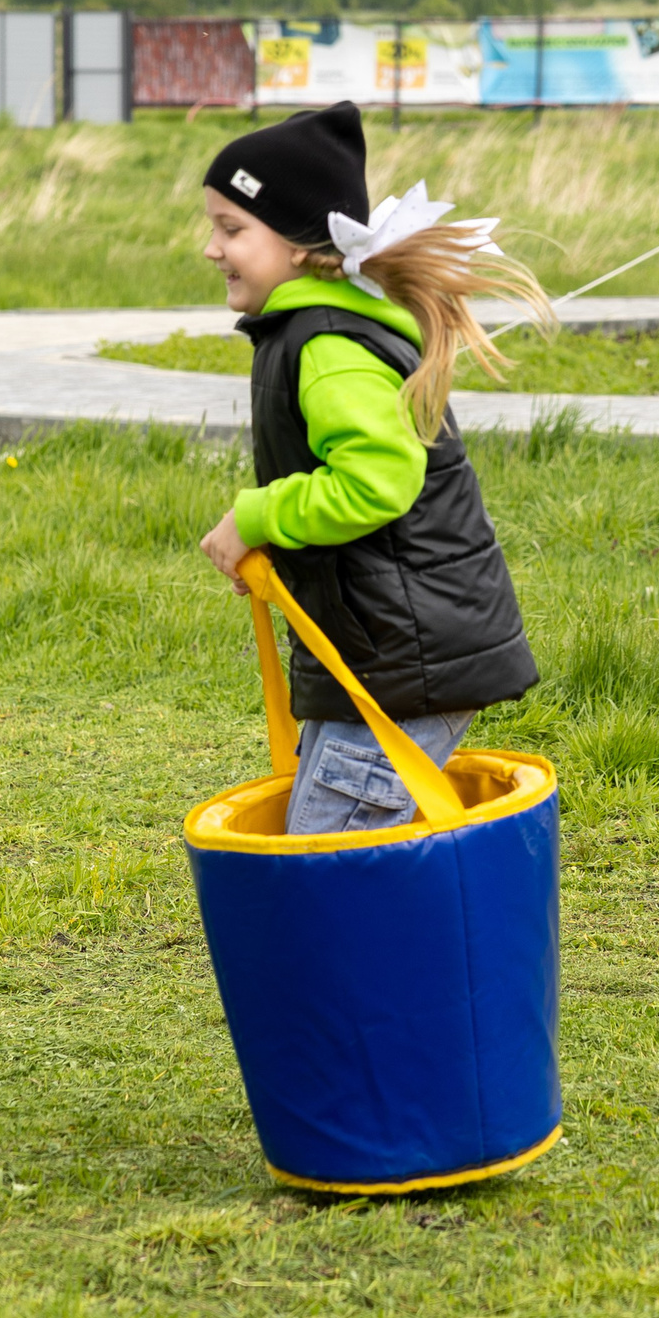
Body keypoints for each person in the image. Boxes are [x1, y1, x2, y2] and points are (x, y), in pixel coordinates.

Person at [195, 100, 554, 834]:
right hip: (378, 653)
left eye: (232, 229)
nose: (211, 248)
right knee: (323, 838)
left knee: (328, 855)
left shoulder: (327, 344)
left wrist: (257, 516)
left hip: (406, 659)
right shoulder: (308, 332)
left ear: (301, 244)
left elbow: (374, 483)